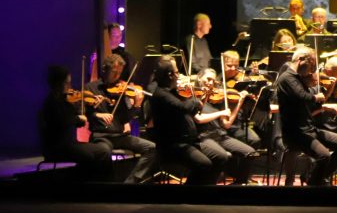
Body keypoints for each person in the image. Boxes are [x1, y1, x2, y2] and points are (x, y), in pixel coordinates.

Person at [275, 47, 337, 185]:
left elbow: (314, 106)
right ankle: (316, 183)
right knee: (324, 156)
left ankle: (315, 179)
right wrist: (315, 95)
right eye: (311, 64)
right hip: (296, 133)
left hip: (310, 130)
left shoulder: (300, 80)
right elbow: (303, 96)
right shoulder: (287, 78)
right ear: (301, 60)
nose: (312, 70)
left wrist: (329, 89)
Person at [149, 57, 228, 184]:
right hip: (174, 145)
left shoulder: (172, 92)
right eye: (177, 72)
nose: (179, 75)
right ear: (170, 75)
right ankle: (188, 194)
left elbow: (194, 110)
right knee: (204, 164)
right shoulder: (161, 95)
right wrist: (195, 99)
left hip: (190, 142)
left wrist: (200, 96)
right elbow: (183, 108)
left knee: (222, 157)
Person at [84, 54, 158, 183]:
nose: (117, 76)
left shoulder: (122, 90)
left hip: (120, 137)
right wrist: (97, 115)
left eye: (120, 73)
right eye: (114, 72)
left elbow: (125, 119)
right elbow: (85, 114)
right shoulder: (90, 88)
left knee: (153, 148)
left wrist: (137, 104)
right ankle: (108, 184)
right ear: (104, 69)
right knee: (104, 152)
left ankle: (130, 182)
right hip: (101, 136)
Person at [39, 65, 113, 181]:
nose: (70, 86)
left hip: (69, 144)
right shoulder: (52, 102)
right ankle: (81, 183)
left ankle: (104, 182)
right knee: (88, 156)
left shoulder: (64, 100)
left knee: (104, 149)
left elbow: (79, 122)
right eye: (67, 83)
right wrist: (78, 118)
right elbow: (62, 121)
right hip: (57, 147)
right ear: (59, 84)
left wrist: (91, 106)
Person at [195, 68, 257, 184]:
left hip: (220, 136)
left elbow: (227, 125)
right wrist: (219, 113)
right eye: (208, 79)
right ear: (199, 78)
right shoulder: (194, 98)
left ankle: (239, 183)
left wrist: (239, 103)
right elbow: (199, 118)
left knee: (251, 153)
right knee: (224, 156)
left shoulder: (217, 100)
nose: (211, 83)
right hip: (205, 137)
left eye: (213, 80)